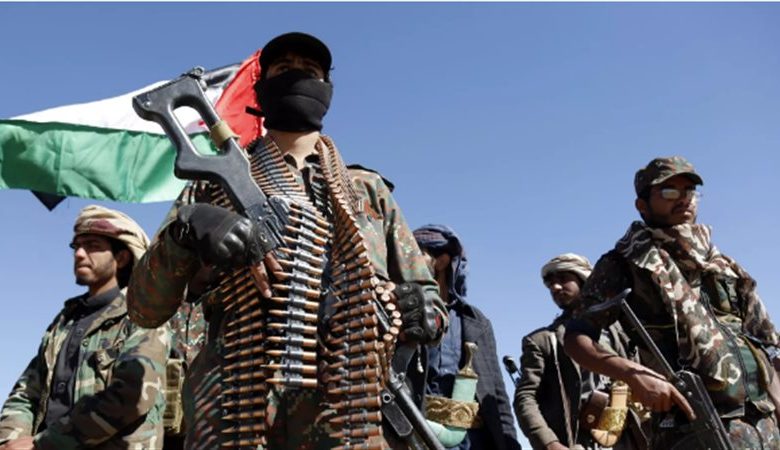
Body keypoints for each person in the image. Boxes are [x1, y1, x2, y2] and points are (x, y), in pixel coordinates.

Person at [127, 32, 448, 450]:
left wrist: (418, 309)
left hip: (348, 412)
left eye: (310, 70)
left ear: (327, 90)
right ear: (260, 89)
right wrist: (187, 231)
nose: (297, 76)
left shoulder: (366, 192)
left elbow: (430, 305)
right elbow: (144, 308)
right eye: (283, 69)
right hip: (237, 410)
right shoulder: (212, 187)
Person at [564, 156, 780, 449]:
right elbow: (576, 338)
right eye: (669, 191)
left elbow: (759, 345)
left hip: (764, 427)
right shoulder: (624, 263)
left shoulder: (722, 266)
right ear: (642, 205)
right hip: (691, 428)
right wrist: (634, 376)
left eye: (689, 191)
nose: (683, 199)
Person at [0, 205, 169, 450]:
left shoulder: (143, 316)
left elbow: (132, 395)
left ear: (121, 258)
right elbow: (26, 392)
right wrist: (10, 441)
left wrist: (44, 443)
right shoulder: (64, 321)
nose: (79, 254)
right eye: (76, 246)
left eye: (92, 246)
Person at [515, 254, 643, 450]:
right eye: (550, 284)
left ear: (583, 279)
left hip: (628, 437)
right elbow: (525, 397)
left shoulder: (620, 329)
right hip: (580, 442)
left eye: (563, 279)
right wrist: (550, 443)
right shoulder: (543, 341)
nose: (555, 287)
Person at [413, 224, 522, 450]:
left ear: (442, 261)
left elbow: (496, 391)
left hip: (473, 441)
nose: (407, 261)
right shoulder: (402, 314)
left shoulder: (476, 321)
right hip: (415, 435)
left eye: (417, 254)